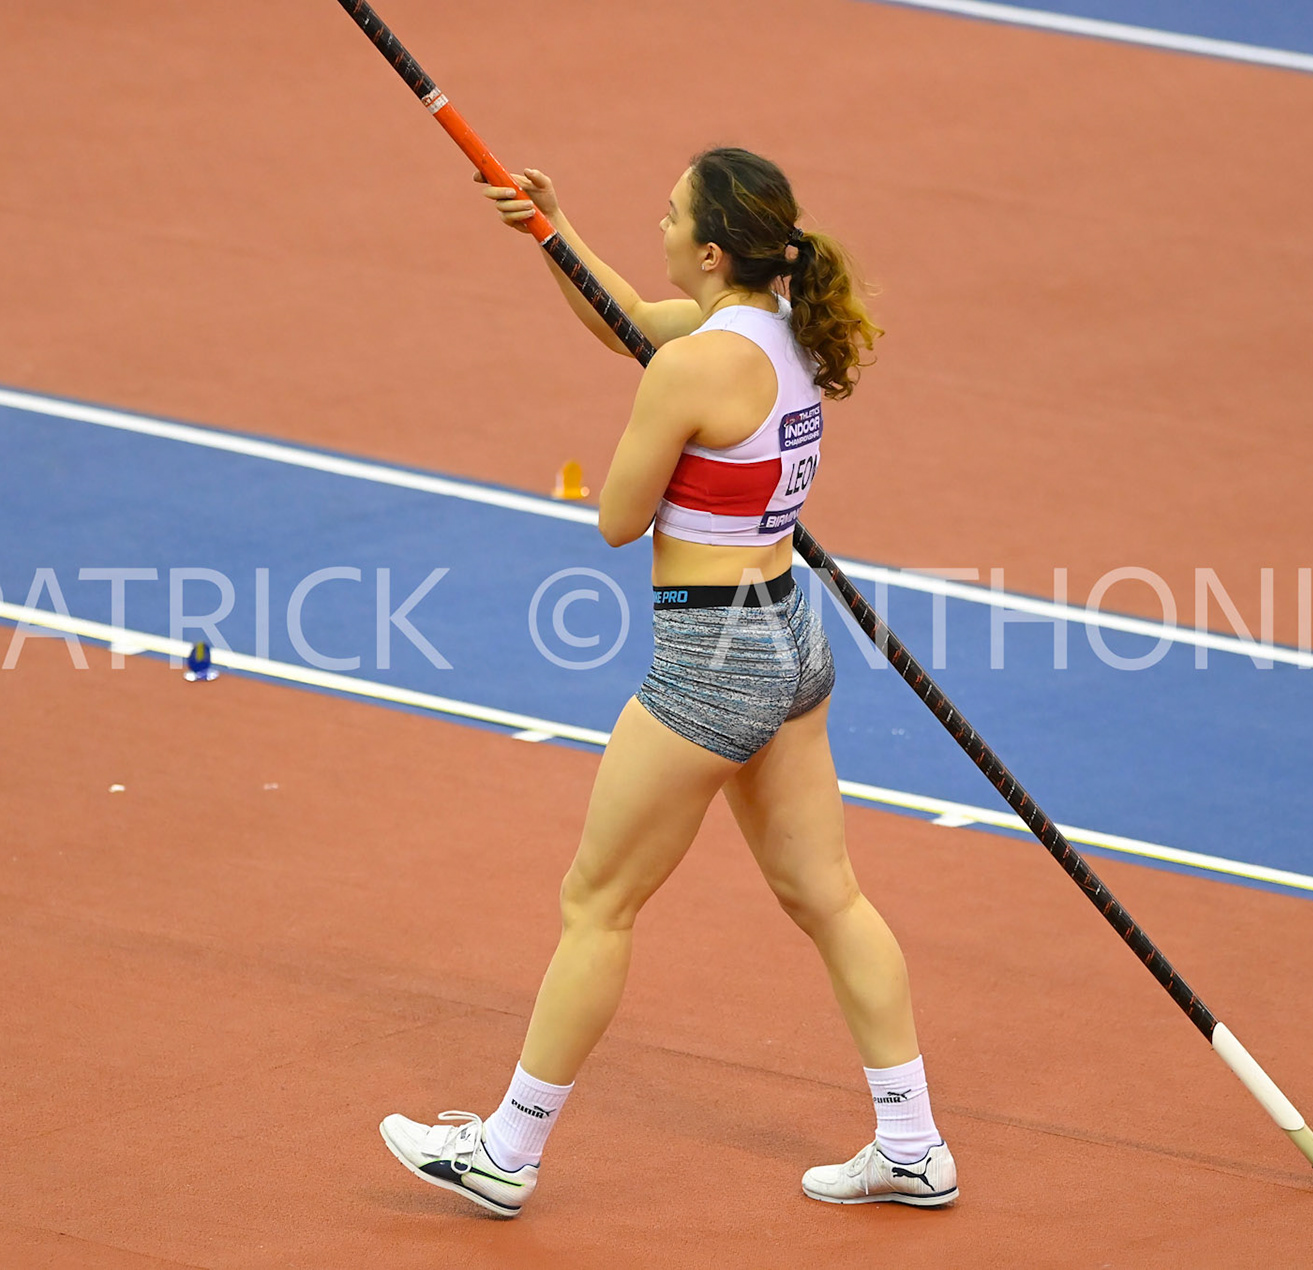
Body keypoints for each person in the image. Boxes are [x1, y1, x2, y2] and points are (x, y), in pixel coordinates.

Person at [380, 147, 955, 1216]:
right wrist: (550, 232)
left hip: (712, 656)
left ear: (707, 247)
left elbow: (617, 517)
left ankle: (506, 1149)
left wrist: (664, 436)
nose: (657, 219)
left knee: (598, 902)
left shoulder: (692, 368)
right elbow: (627, 318)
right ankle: (914, 1141)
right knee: (829, 896)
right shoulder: (773, 327)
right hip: (790, 635)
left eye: (670, 209)